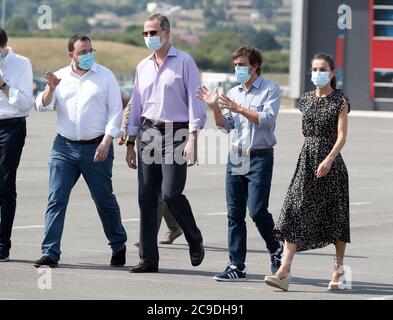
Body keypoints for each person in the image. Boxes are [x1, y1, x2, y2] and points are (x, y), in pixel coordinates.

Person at [34, 34, 127, 268]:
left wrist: (106, 142)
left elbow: (116, 111)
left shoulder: (105, 76)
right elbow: (41, 106)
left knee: (103, 199)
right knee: (57, 199)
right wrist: (50, 89)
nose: (88, 55)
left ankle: (118, 244)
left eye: (90, 50)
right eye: (83, 52)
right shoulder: (60, 77)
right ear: (71, 55)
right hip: (63, 148)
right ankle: (50, 252)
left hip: (96, 147)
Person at [126, 14, 206, 273]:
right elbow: (136, 105)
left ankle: (194, 237)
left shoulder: (185, 62)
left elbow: (196, 101)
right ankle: (148, 258)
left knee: (171, 193)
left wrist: (193, 136)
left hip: (177, 132)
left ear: (167, 33)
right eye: (145, 33)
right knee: (147, 196)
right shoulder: (142, 66)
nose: (149, 37)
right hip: (149, 132)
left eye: (153, 32)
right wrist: (130, 140)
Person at [265, 53, 350, 291]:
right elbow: (306, 133)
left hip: (331, 164)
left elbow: (342, 136)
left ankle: (338, 268)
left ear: (332, 73)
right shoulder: (304, 100)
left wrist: (328, 159)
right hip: (306, 162)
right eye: (314, 69)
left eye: (322, 69)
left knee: (337, 216)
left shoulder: (340, 100)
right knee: (294, 210)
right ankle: (284, 270)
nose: (317, 73)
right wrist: (311, 155)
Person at [197, 46, 283, 281]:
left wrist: (238, 108)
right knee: (234, 214)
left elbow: (267, 120)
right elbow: (225, 126)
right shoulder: (233, 92)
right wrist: (215, 107)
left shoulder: (270, 89)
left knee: (257, 210)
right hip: (237, 155)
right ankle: (237, 265)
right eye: (235, 65)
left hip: (260, 155)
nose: (238, 69)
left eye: (242, 65)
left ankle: (276, 249)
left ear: (254, 66)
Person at [118, 98, 182, 246]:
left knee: (162, 191)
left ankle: (148, 237)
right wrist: (125, 130)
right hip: (147, 137)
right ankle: (174, 227)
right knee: (154, 189)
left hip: (172, 136)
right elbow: (131, 107)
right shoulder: (144, 77)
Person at [0, 28, 33, 262]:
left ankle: (3, 244)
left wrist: (2, 84)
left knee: (4, 184)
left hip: (10, 127)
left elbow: (25, 104)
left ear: (4, 46)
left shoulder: (21, 64)